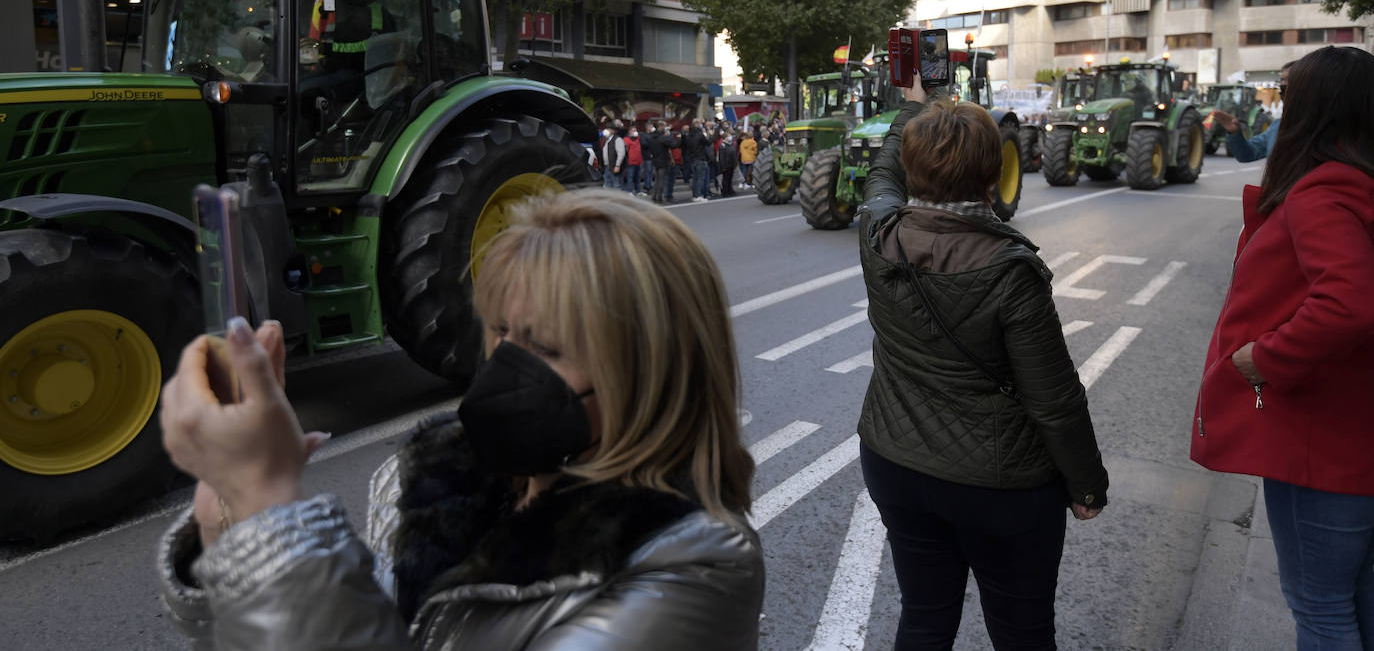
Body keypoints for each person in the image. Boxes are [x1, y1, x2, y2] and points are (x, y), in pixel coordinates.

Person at [157, 189, 764, 649]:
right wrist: (226, 527)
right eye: (501, 332)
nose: (506, 366)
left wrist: (269, 505)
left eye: (547, 348)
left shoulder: (694, 565)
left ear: (653, 370)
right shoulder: (434, 476)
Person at [856, 81, 1109, 650]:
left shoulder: (879, 236)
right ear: (994, 173)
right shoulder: (1009, 268)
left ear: (912, 168)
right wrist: (1087, 486)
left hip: (895, 461)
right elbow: (1054, 398)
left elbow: (880, 176)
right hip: (1000, 483)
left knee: (923, 617)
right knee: (1021, 631)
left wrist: (914, 108)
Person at [1191, 46, 1374, 650]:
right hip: (1356, 428)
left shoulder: (1319, 194)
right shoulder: (1359, 186)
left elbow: (1349, 301)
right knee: (1357, 600)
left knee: (1319, 606)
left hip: (1322, 443)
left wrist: (1263, 359)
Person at [1210, 61, 1293, 162]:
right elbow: (1247, 154)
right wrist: (1235, 133)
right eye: (1282, 80)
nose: (1282, 85)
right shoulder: (1277, 127)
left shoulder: (1316, 129)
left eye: (1288, 80)